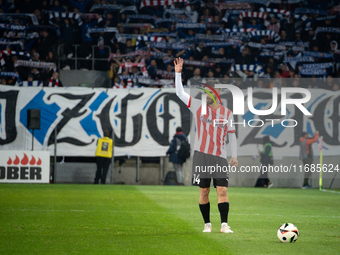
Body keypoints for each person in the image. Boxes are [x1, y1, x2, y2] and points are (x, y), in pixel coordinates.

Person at [174, 57, 238, 234]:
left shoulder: (227, 113)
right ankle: (207, 224)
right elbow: (180, 93)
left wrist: (234, 155)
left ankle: (224, 225)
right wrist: (177, 74)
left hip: (219, 157)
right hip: (201, 155)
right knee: (204, 191)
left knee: (222, 190)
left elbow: (232, 136)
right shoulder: (198, 106)